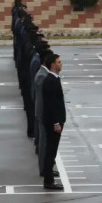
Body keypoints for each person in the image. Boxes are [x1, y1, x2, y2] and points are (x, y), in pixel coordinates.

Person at [40, 53, 66, 191]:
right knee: (51, 150)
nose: (61, 63)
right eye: (59, 62)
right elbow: (51, 104)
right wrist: (56, 122)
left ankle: (48, 175)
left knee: (51, 150)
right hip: (53, 122)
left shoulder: (54, 78)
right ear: (53, 65)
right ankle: (49, 181)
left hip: (55, 120)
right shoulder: (50, 80)